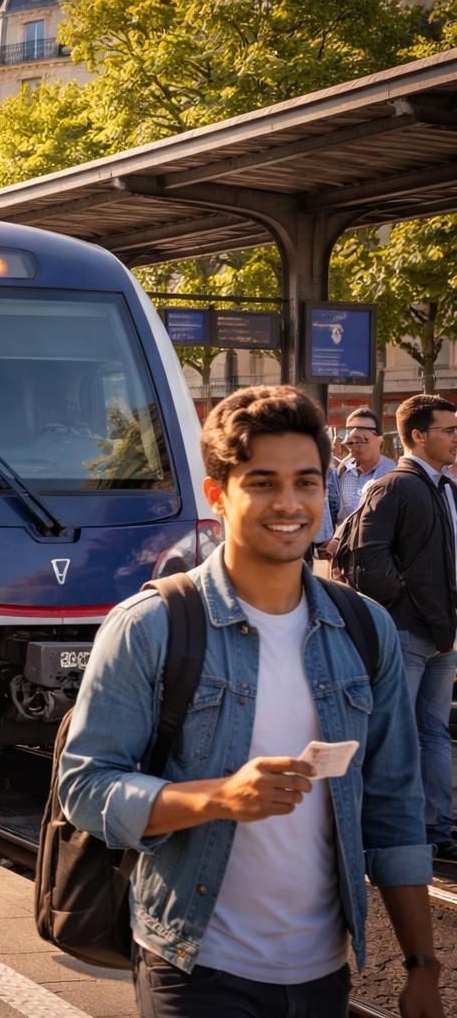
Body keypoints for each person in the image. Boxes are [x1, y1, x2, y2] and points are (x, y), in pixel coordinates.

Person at [57, 385, 438, 1018]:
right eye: (261, 483)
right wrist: (220, 798)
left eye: (306, 483)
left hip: (324, 973)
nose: (288, 504)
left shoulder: (368, 632)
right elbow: (87, 788)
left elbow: (396, 803)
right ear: (218, 495)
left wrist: (422, 963)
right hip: (197, 966)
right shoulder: (152, 625)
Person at [346, 394, 457, 862]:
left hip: (441, 633)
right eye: (448, 430)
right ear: (417, 435)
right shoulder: (395, 486)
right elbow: (369, 559)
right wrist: (406, 602)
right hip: (410, 631)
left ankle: (437, 826)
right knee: (396, 733)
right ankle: (399, 828)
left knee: (431, 731)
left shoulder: (443, 486)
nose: (455, 439)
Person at [314, 406, 395, 555]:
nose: (355, 444)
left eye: (362, 438)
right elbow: (337, 513)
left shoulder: (393, 475)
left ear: (379, 440)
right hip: (343, 558)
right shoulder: (342, 471)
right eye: (351, 439)